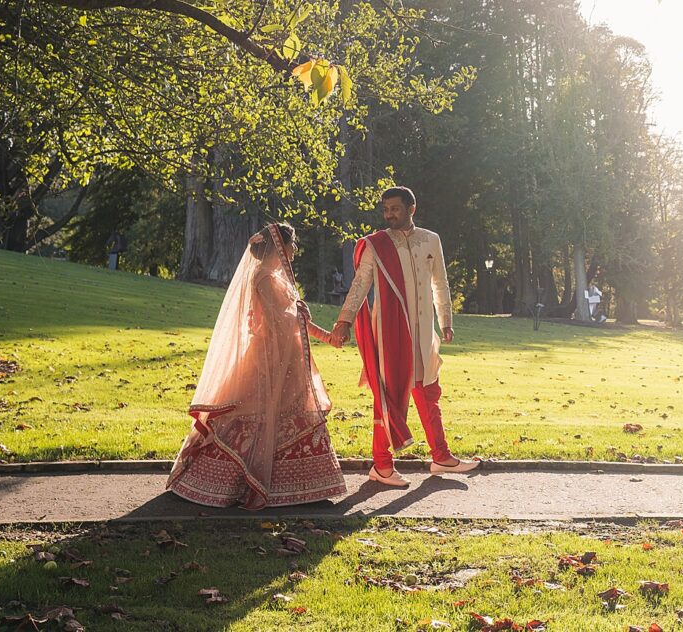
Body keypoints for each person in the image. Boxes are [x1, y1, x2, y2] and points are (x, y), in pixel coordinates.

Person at [166, 223, 345, 509]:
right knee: (256, 413)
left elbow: (297, 319)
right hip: (269, 358)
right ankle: (235, 480)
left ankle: (302, 484)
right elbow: (277, 320)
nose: (295, 251)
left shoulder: (278, 277)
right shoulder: (262, 277)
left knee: (290, 412)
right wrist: (297, 315)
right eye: (292, 245)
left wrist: (327, 337)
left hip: (288, 357)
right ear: (280, 247)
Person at [329, 186, 479, 486]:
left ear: (412, 208)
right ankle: (382, 465)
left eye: (395, 209)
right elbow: (360, 285)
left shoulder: (431, 240)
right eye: (385, 209)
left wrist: (445, 320)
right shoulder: (378, 245)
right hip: (390, 333)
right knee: (390, 396)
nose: (389, 215)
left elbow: (441, 284)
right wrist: (344, 320)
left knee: (427, 392)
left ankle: (441, 457)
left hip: (424, 333)